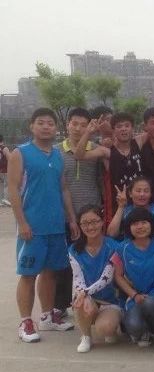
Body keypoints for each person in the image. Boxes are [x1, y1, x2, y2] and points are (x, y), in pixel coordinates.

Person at [7, 108, 78, 342]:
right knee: (28, 274)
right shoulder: (21, 153)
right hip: (32, 227)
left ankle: (47, 317)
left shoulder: (57, 155)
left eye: (50, 123)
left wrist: (71, 219)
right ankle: (26, 322)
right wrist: (22, 222)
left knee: (51, 273)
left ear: (56, 128)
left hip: (56, 225)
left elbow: (63, 189)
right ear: (32, 126)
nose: (46, 127)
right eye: (41, 122)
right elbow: (13, 190)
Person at [55, 108, 105, 314]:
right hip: (65, 215)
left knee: (91, 258)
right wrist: (70, 217)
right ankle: (60, 305)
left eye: (83, 125)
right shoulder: (56, 151)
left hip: (92, 216)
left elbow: (102, 179)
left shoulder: (96, 150)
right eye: (74, 124)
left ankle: (93, 301)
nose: (78, 128)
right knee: (64, 261)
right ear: (67, 124)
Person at [112, 207, 154, 354]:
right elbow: (118, 276)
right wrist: (134, 295)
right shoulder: (122, 248)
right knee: (133, 326)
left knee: (150, 303)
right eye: (135, 223)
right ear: (129, 227)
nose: (140, 227)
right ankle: (148, 330)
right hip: (137, 298)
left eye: (144, 222)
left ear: (151, 224)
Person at [69, 205, 122, 353]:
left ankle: (110, 326)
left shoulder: (114, 246)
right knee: (80, 301)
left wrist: (85, 292)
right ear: (80, 225)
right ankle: (86, 336)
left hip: (110, 301)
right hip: (89, 298)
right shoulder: (74, 249)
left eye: (94, 221)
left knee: (105, 329)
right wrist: (83, 295)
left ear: (102, 222)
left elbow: (107, 278)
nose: (90, 227)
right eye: (85, 223)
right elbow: (78, 278)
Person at [74, 112, 144, 216]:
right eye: (119, 126)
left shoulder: (139, 142)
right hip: (119, 205)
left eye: (127, 126)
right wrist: (88, 132)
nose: (123, 129)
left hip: (141, 200)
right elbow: (78, 156)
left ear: (132, 128)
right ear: (113, 130)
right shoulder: (107, 151)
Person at [0, 134, 10, 206]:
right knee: (6, 184)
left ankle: (1, 200)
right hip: (5, 169)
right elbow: (10, 158)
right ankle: (5, 199)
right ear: (2, 140)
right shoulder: (4, 148)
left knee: (1, 185)